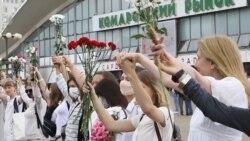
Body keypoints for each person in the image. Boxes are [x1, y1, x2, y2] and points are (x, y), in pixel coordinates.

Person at [150, 35, 249, 141]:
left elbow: (195, 79)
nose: (195, 64)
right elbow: (166, 78)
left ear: (212, 63)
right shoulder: (212, 93)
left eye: (198, 58)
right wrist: (140, 59)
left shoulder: (233, 86)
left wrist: (168, 57)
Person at [84, 54, 174, 141]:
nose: (136, 92)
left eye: (141, 87)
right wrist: (93, 95)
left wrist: (130, 73)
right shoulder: (142, 117)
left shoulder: (165, 112)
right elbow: (111, 125)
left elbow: (149, 109)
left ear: (154, 90)